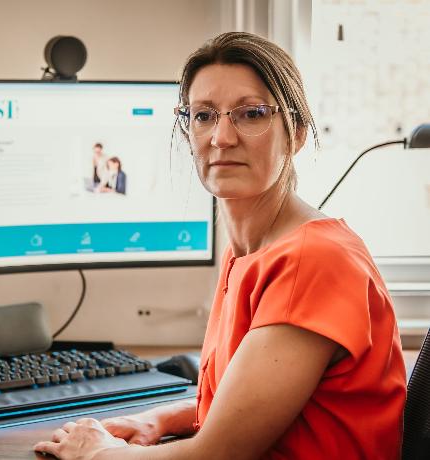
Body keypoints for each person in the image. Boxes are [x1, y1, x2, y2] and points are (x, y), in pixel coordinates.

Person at [34, 31, 406, 460]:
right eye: (204, 115)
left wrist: (95, 452)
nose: (221, 137)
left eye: (251, 114)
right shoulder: (248, 250)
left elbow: (215, 454)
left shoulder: (313, 260)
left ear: (298, 132)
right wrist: (158, 419)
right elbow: (251, 400)